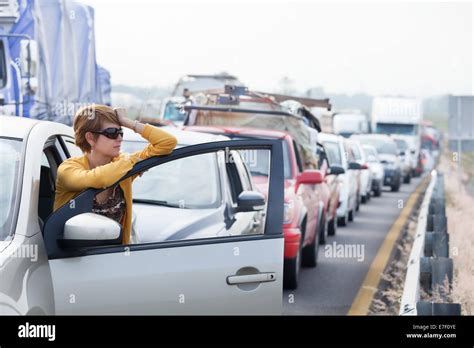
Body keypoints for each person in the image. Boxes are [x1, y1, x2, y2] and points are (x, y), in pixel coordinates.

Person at [53, 104, 178, 245]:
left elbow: (168, 143)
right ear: (90, 138)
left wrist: (129, 123)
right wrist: (132, 160)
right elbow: (99, 179)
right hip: (72, 259)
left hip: (115, 257)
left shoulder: (124, 165)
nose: (119, 138)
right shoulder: (68, 169)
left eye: (121, 132)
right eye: (112, 133)